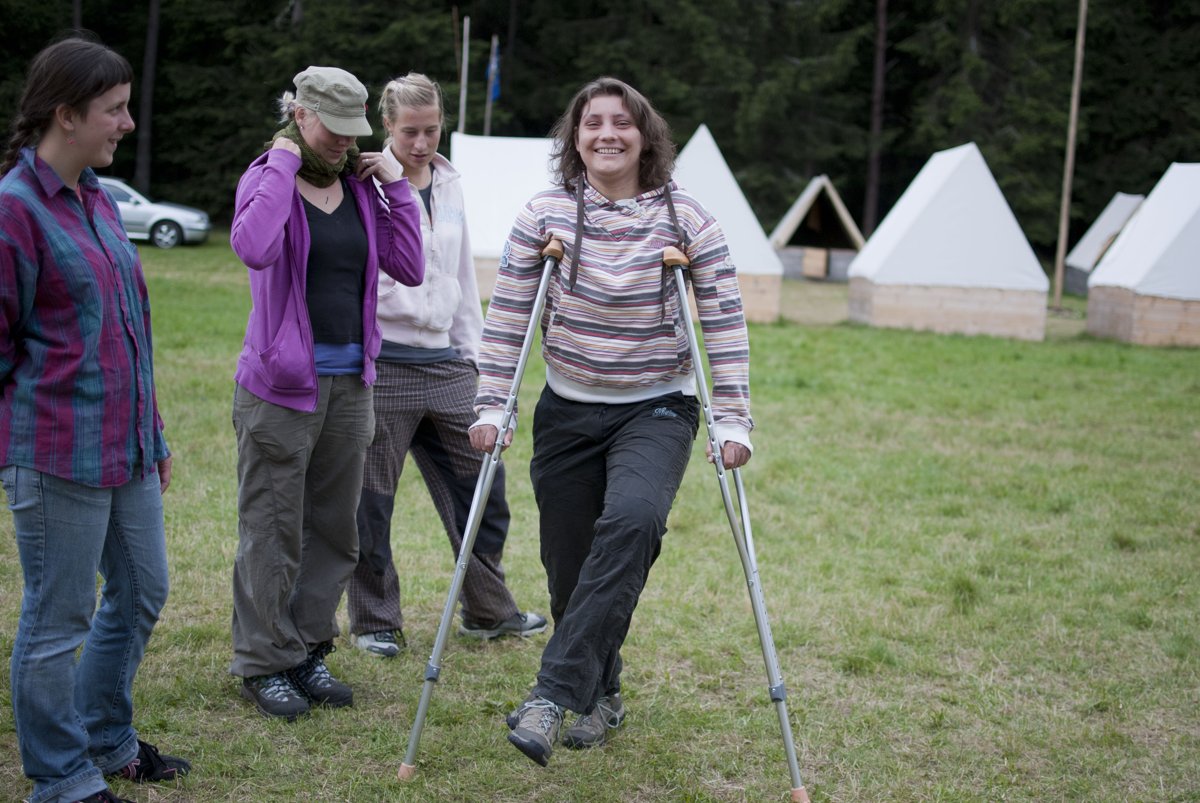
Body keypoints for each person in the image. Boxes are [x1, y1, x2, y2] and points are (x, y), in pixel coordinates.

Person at [470, 76, 754, 766]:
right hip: (567, 406)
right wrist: (492, 403)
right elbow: (509, 313)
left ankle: (550, 695)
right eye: (592, 122)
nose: (607, 134)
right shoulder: (544, 213)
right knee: (570, 568)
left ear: (645, 136)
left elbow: (722, 319)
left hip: (658, 404)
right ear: (575, 137)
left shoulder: (689, 219)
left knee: (633, 521)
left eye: (621, 122)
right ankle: (602, 694)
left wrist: (732, 417)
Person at [0, 37, 190, 803]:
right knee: (58, 618)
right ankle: (60, 776)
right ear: (66, 114)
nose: (128, 123)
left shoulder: (99, 199)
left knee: (143, 587)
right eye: (114, 109)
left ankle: (106, 735)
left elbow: (127, 327)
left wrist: (155, 432)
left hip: (128, 446)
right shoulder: (14, 210)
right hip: (56, 452)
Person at [228, 66, 424, 720]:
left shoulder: (360, 186)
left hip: (350, 385)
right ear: (301, 114)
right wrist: (284, 160)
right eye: (332, 128)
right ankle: (264, 660)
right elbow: (252, 247)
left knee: (336, 530)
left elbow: (409, 266)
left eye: (353, 130)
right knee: (273, 530)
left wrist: (398, 187)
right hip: (280, 389)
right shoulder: (268, 177)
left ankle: (309, 647)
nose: (345, 141)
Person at [346, 72, 546, 658]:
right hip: (384, 364)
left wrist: (479, 361)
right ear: (387, 126)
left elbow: (461, 278)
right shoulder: (365, 183)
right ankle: (375, 620)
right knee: (370, 501)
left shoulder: (451, 183)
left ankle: (487, 610)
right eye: (409, 131)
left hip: (449, 365)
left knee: (484, 489)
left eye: (431, 130)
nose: (421, 142)